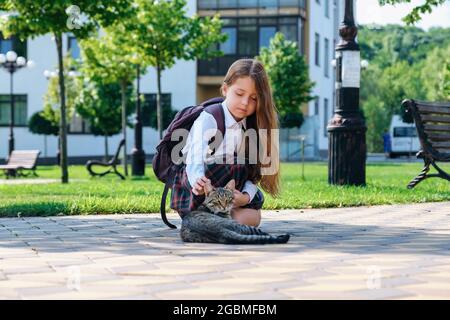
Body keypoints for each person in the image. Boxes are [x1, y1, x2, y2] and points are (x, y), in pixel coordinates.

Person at [170, 58, 280, 227]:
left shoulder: (251, 128)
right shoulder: (209, 118)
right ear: (225, 89)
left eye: (254, 98)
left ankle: (213, 221)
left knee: (254, 216)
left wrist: (244, 197)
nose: (245, 103)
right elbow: (194, 158)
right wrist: (198, 181)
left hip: (228, 195)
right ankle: (206, 218)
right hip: (198, 192)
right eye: (239, 94)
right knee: (236, 163)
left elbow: (251, 175)